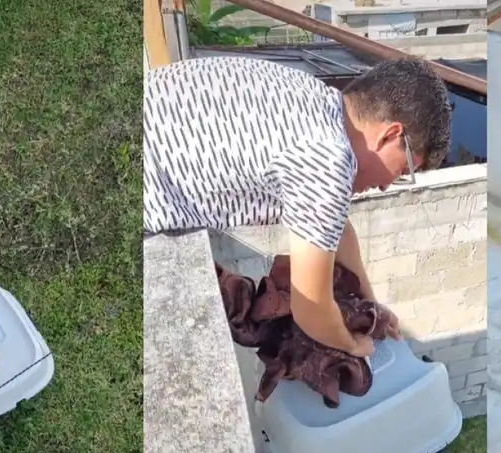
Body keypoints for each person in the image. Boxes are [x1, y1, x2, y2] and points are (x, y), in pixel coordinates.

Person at [144, 56, 452, 359]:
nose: (387, 185)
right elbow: (311, 308)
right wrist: (353, 345)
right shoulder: (329, 158)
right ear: (390, 135)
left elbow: (337, 227)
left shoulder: (314, 100)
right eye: (403, 170)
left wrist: (373, 305)